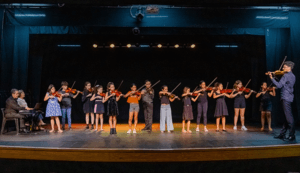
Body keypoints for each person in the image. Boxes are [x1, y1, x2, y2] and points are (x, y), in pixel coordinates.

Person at [267, 61, 296, 141]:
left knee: (289, 118)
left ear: (289, 67)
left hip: (285, 97)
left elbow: (279, 85)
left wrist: (271, 78)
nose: (283, 69)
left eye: (284, 67)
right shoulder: (293, 76)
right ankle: (282, 134)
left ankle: (292, 135)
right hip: (289, 97)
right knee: (286, 117)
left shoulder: (286, 76)